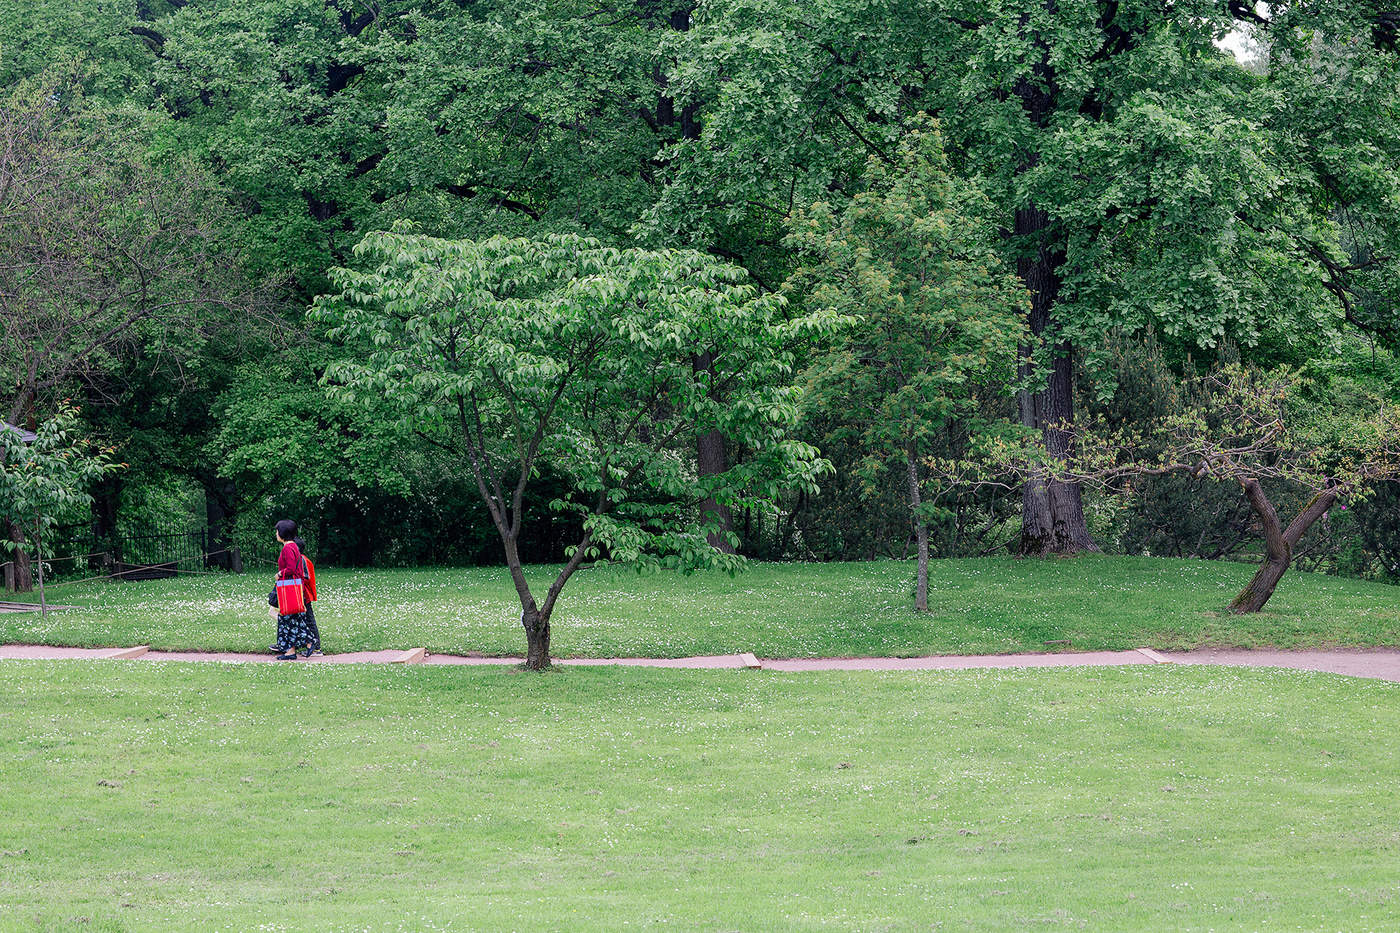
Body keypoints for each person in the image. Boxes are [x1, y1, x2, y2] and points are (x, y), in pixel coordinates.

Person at [269, 519, 313, 660]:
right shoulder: (294, 546)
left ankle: (308, 641)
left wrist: (279, 574)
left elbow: (292, 568)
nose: (276, 534)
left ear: (283, 533)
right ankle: (291, 651)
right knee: (292, 619)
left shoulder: (288, 548)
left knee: (286, 619)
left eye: (277, 531)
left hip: (288, 589)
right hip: (293, 588)